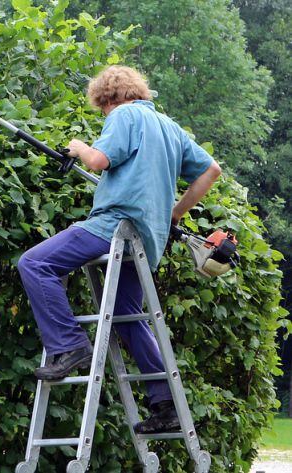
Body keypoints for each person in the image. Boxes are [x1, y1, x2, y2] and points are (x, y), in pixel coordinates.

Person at [16, 65, 222, 434]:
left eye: (101, 110)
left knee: (34, 263)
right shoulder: (170, 127)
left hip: (114, 226)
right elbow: (212, 170)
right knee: (127, 316)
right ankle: (166, 405)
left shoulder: (123, 114)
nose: (104, 115)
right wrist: (174, 213)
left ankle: (69, 345)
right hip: (148, 237)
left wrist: (80, 148)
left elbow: (98, 161)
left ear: (107, 98)